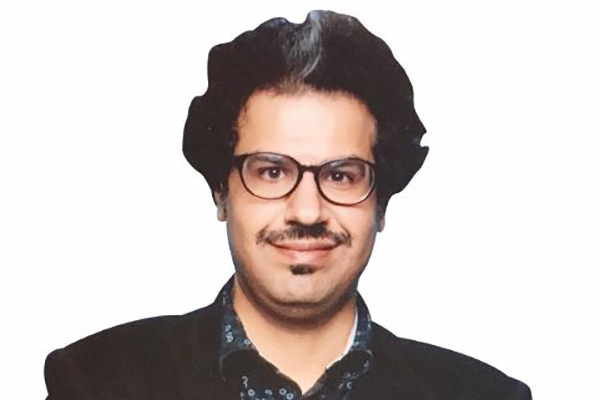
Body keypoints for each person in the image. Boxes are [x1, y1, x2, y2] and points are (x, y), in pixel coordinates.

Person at [44, 10, 532, 400]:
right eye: (272, 172)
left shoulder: (481, 395)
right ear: (221, 191)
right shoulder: (97, 382)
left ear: (381, 204)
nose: (307, 211)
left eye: (340, 175)